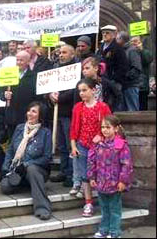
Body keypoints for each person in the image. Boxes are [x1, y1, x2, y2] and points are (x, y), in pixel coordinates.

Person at [1, 101, 52, 220]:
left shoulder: (45, 133)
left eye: (34, 111)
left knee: (32, 169)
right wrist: (5, 168)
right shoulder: (19, 128)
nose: (29, 113)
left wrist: (26, 164)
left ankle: (42, 208)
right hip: (17, 170)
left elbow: (47, 157)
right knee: (5, 186)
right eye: (29, 110)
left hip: (37, 170)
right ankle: (31, 185)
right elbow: (10, 151)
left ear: (40, 115)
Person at [70, 78, 112, 217]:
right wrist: (73, 145)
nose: (81, 93)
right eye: (80, 91)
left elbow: (110, 126)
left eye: (84, 90)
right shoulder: (78, 107)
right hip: (82, 145)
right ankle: (88, 202)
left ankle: (103, 201)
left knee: (100, 174)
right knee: (84, 175)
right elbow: (74, 127)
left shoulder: (103, 107)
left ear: (93, 90)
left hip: (99, 147)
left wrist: (101, 135)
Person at [88, 115, 133, 238]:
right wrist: (92, 177)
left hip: (115, 183)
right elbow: (92, 160)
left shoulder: (121, 145)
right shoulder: (99, 144)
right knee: (104, 208)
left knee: (114, 209)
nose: (104, 130)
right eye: (102, 127)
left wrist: (123, 181)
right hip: (101, 182)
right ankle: (103, 230)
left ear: (116, 128)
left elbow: (126, 164)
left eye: (108, 127)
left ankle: (114, 232)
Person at [48, 45, 78, 188]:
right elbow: (48, 86)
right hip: (57, 112)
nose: (61, 55)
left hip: (69, 113)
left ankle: (72, 174)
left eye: (64, 52)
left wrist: (60, 98)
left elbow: (75, 91)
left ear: (72, 55)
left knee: (69, 143)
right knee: (61, 145)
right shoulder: (55, 69)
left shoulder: (75, 70)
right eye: (60, 52)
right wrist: (50, 95)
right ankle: (64, 171)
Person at [0, 51, 38, 139]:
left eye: (21, 60)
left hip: (26, 116)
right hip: (11, 115)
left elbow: (37, 97)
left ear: (28, 61)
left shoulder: (34, 76)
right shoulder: (9, 74)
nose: (18, 62)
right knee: (12, 141)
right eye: (17, 60)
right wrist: (4, 95)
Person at [96, 25, 129, 111]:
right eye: (103, 33)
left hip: (113, 80)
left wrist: (114, 79)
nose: (104, 35)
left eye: (107, 33)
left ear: (114, 35)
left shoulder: (118, 48)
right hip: (102, 80)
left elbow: (123, 66)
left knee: (114, 103)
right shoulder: (100, 48)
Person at [116, 31, 142, 111]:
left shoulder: (132, 50)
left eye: (117, 39)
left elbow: (137, 68)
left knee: (132, 110)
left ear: (122, 39)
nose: (115, 41)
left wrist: (126, 76)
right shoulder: (121, 50)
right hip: (123, 85)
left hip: (131, 85)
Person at [130, 36, 154, 110]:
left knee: (142, 106)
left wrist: (141, 50)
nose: (134, 43)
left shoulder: (145, 52)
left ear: (140, 43)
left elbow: (148, 59)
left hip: (142, 85)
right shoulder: (129, 52)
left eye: (136, 41)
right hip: (132, 84)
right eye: (132, 41)